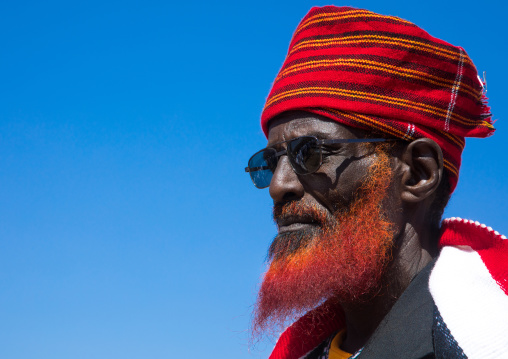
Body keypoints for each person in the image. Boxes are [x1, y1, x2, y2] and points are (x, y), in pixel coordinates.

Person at [245, 6, 508, 359]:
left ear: (418, 174)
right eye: (270, 161)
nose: (279, 186)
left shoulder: (485, 340)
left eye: (311, 153)